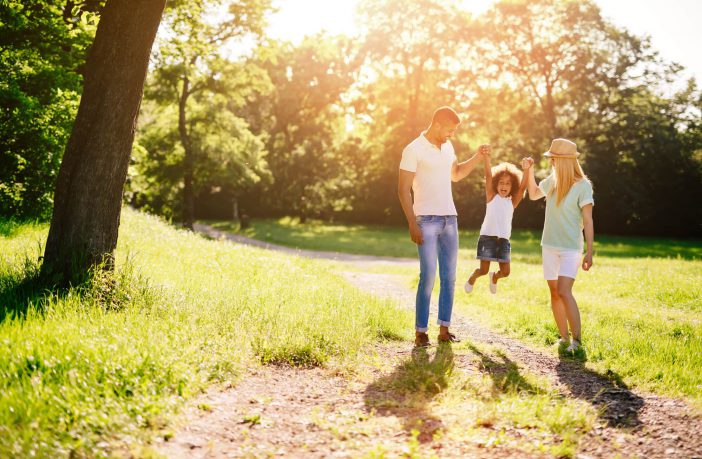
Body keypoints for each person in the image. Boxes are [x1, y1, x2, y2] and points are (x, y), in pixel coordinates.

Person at [397, 106, 489, 348]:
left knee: (449, 277)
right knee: (428, 277)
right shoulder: (413, 150)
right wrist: (411, 222)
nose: (452, 135)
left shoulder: (448, 147)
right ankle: (421, 332)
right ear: (437, 124)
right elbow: (402, 190)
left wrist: (478, 157)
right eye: (449, 130)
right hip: (425, 221)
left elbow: (456, 174)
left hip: (450, 219)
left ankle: (444, 329)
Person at [523, 138, 594, 353]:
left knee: (564, 291)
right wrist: (529, 171)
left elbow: (588, 221)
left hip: (571, 247)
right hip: (549, 245)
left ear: (563, 160)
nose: (551, 162)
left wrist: (589, 252)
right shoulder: (552, 181)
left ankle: (577, 341)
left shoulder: (583, 186)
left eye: (553, 158)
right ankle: (563, 338)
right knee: (554, 292)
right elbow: (534, 194)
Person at [464, 154, 528, 294]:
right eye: (501, 183)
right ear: (496, 184)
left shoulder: (512, 202)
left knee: (506, 272)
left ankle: (495, 277)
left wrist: (527, 169)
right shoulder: (491, 196)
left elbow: (522, 188)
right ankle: (473, 277)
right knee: (483, 270)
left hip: (504, 241)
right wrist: (487, 158)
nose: (504, 186)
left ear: (512, 186)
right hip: (488, 238)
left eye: (507, 183)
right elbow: (488, 176)